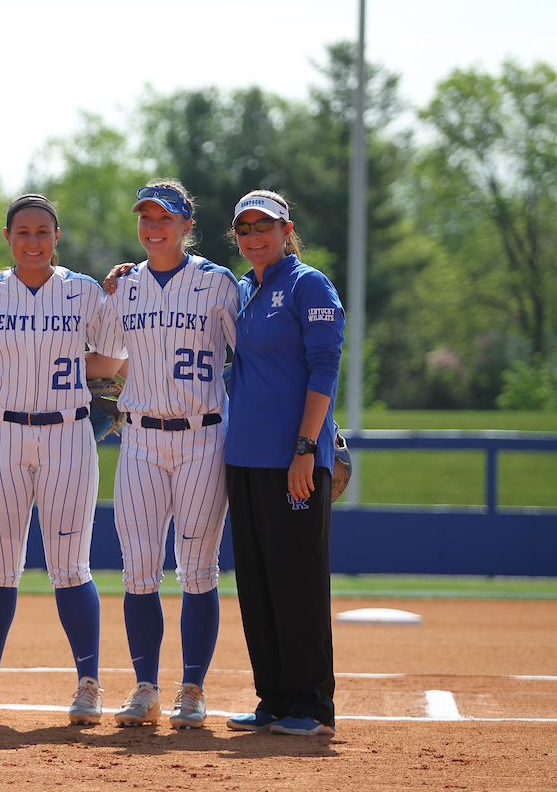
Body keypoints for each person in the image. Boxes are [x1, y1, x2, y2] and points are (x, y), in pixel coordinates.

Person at [0, 194, 113, 725]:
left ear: (57, 237)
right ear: (8, 237)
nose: (32, 241)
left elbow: (113, 357)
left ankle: (88, 684)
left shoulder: (84, 292)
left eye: (42, 231)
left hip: (68, 433)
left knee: (70, 567)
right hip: (1, 431)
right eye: (22, 232)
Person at [96, 181, 239, 728]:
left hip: (203, 436)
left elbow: (252, 358)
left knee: (199, 569)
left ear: (186, 226)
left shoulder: (216, 283)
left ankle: (193, 690)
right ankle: (145, 688)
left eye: (165, 218)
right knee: (139, 570)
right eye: (145, 218)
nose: (153, 227)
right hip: (140, 439)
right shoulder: (125, 287)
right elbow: (105, 361)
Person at [222, 190, 344, 737]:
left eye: (263, 226)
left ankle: (311, 706)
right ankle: (273, 698)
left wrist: (305, 448)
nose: (254, 236)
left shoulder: (307, 283)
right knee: (258, 583)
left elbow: (325, 365)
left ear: (285, 228)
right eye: (244, 228)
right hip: (244, 456)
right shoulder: (245, 288)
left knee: (297, 581)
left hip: (292, 458)